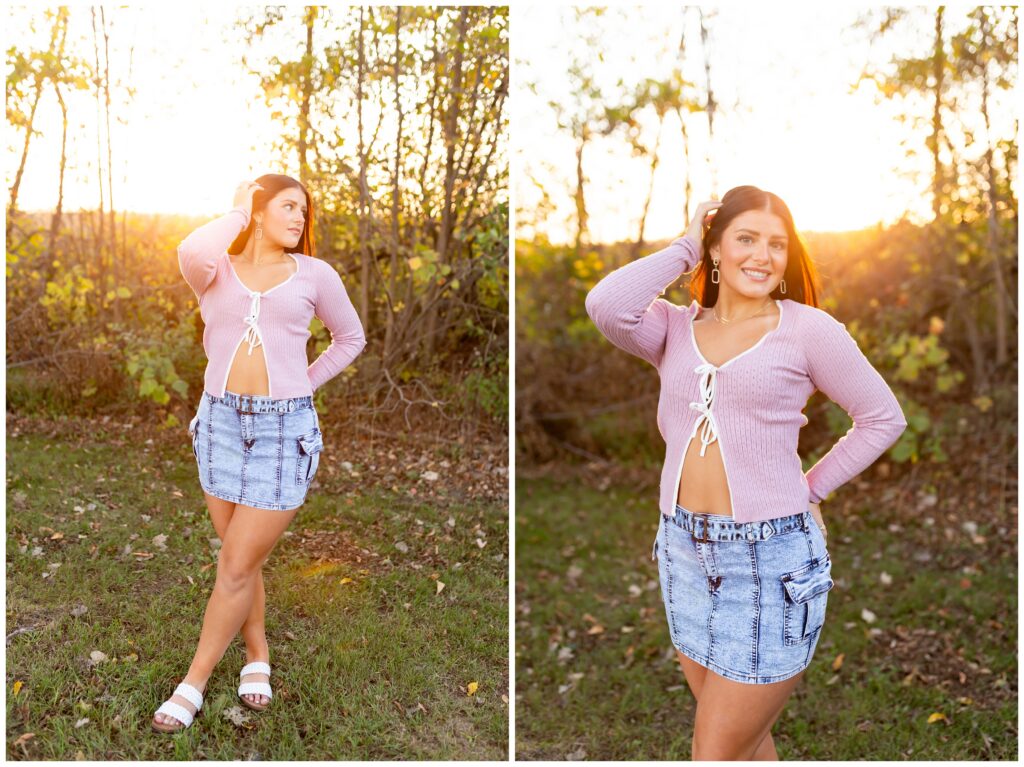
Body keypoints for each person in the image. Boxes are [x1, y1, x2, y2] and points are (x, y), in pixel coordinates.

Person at [584, 185, 907, 760]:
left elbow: (882, 417)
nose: (763, 255)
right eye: (747, 239)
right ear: (716, 248)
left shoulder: (808, 330)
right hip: (683, 553)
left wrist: (812, 489)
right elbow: (607, 304)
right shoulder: (673, 330)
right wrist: (685, 244)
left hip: (772, 560)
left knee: (715, 754)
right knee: (747, 745)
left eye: (777, 244)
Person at [152, 176, 367, 733]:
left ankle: (192, 683)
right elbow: (191, 249)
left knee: (236, 563)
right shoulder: (215, 269)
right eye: (287, 206)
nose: (299, 217)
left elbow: (351, 338)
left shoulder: (316, 275)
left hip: (282, 433)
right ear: (257, 209)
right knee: (239, 557)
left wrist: (302, 384)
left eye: (304, 209)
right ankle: (257, 653)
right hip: (220, 423)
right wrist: (238, 210)